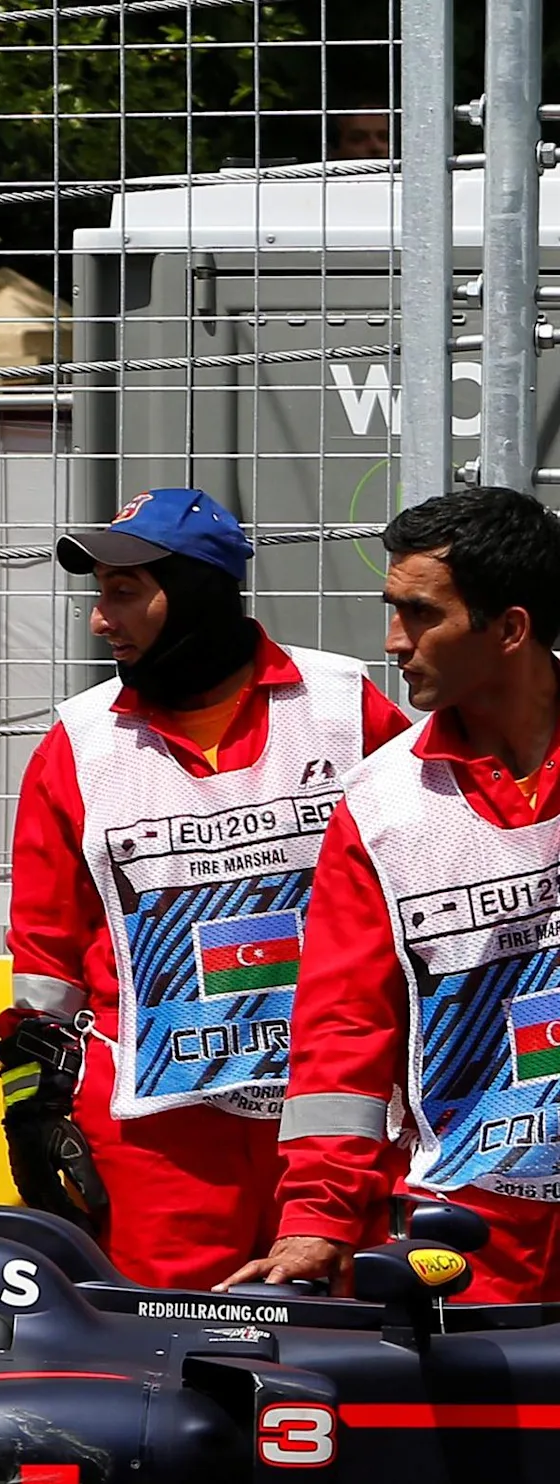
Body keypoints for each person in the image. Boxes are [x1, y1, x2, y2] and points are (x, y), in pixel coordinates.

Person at [0, 488, 408, 1288]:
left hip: (335, 1119)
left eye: (123, 593)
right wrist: (33, 1109)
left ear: (195, 591)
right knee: (170, 1357)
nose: (99, 620)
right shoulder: (77, 745)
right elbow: (43, 960)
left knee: (355, 1353)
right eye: (99, 595)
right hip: (160, 1136)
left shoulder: (345, 707)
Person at [231, 486, 560, 1301]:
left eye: (420, 615)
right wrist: (317, 1215)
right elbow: (344, 1027)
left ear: (511, 628)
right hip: (475, 1224)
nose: (393, 641)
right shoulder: (382, 806)